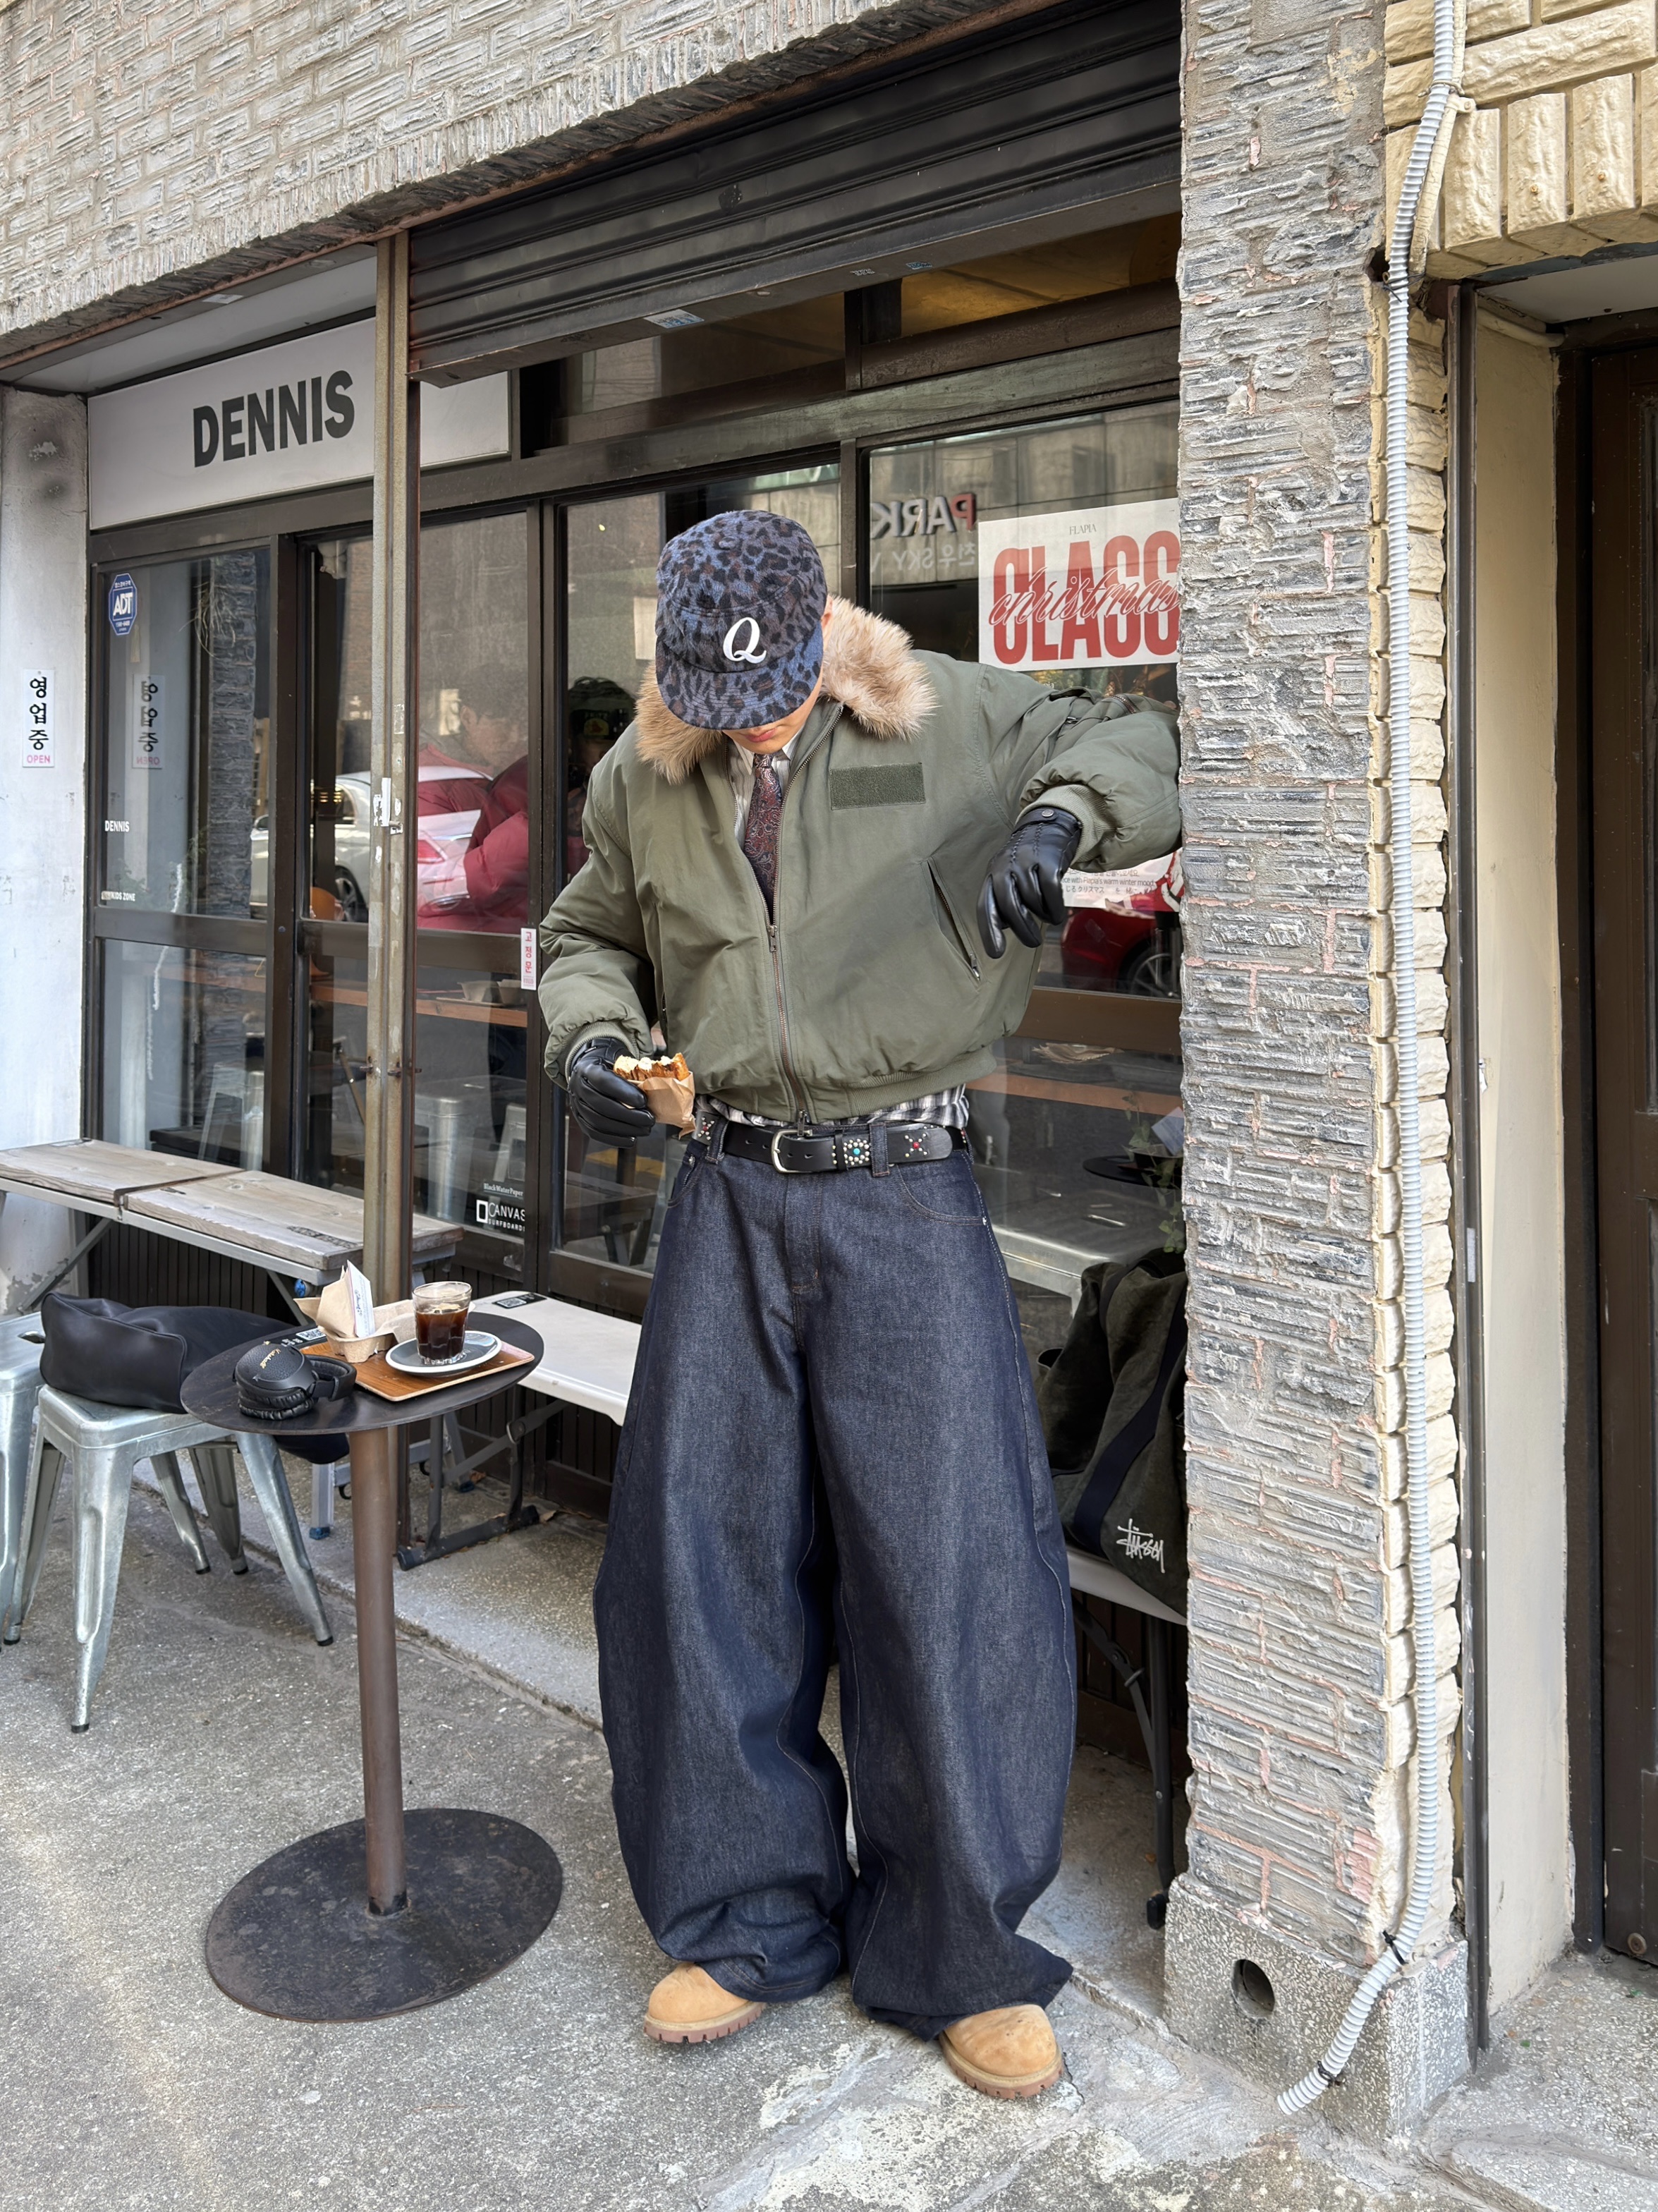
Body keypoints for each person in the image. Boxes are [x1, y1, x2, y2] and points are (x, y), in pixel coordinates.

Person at [537, 509, 1180, 2098]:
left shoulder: (947, 710)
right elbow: (583, 937)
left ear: (817, 634)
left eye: (771, 687)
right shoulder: (641, 774)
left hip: (905, 1184)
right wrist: (595, 1044)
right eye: (715, 694)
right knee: (696, 1557)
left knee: (950, 1562)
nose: (749, 719)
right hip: (725, 1188)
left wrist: (1060, 825)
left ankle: (955, 1948)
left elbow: (1142, 729)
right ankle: (747, 1915)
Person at [417, 662, 530, 928]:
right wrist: (534, 826)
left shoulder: (521, 771)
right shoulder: (431, 783)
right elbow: (440, 887)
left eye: (522, 723)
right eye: (501, 722)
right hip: (461, 953)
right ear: (467, 718)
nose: (514, 736)